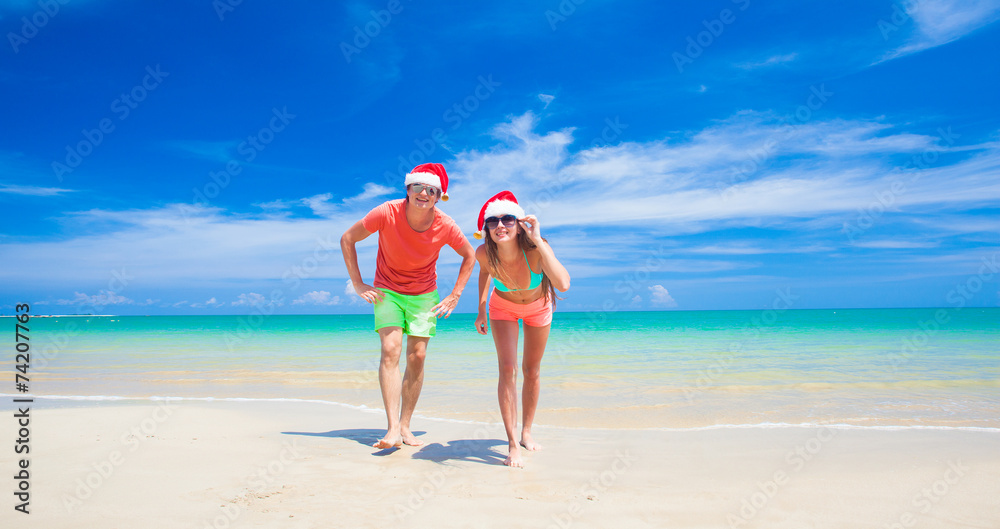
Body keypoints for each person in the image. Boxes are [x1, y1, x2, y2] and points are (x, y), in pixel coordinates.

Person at [341, 163, 476, 449]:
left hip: (424, 293)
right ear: (408, 189)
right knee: (390, 350)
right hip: (387, 290)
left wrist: (455, 295)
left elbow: (469, 255)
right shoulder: (386, 212)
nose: (423, 193)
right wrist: (358, 283)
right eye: (418, 187)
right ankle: (391, 429)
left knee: (418, 355)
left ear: (438, 196)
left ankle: (405, 426)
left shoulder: (446, 225)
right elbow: (348, 238)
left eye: (431, 190)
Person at [472, 191, 570, 467]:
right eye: (492, 221)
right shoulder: (484, 252)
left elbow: (562, 283)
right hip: (502, 308)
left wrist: (538, 239)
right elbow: (483, 272)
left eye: (507, 219)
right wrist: (481, 308)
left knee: (531, 371)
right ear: (486, 228)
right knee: (507, 370)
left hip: (539, 308)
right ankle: (512, 443)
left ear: (519, 224)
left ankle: (526, 431)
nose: (500, 225)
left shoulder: (535, 249)